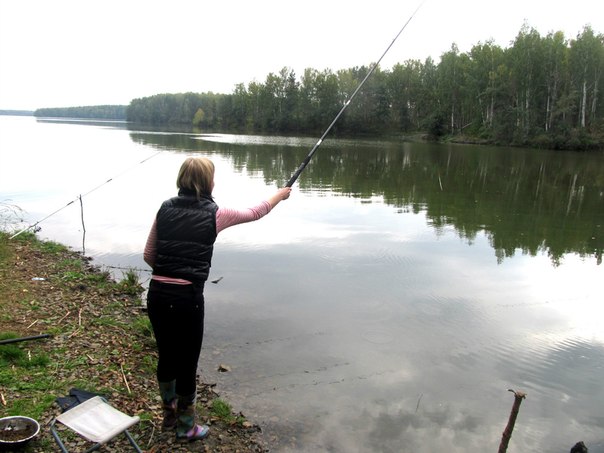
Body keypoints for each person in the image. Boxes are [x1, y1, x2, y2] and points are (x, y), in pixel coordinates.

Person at [143, 156, 291, 442]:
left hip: (157, 294)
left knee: (167, 356)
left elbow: (149, 255)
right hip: (187, 298)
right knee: (187, 362)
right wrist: (279, 195)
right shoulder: (215, 213)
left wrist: (168, 274)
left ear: (182, 179)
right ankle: (186, 427)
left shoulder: (164, 208)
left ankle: (169, 416)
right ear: (207, 183)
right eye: (212, 177)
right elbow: (256, 211)